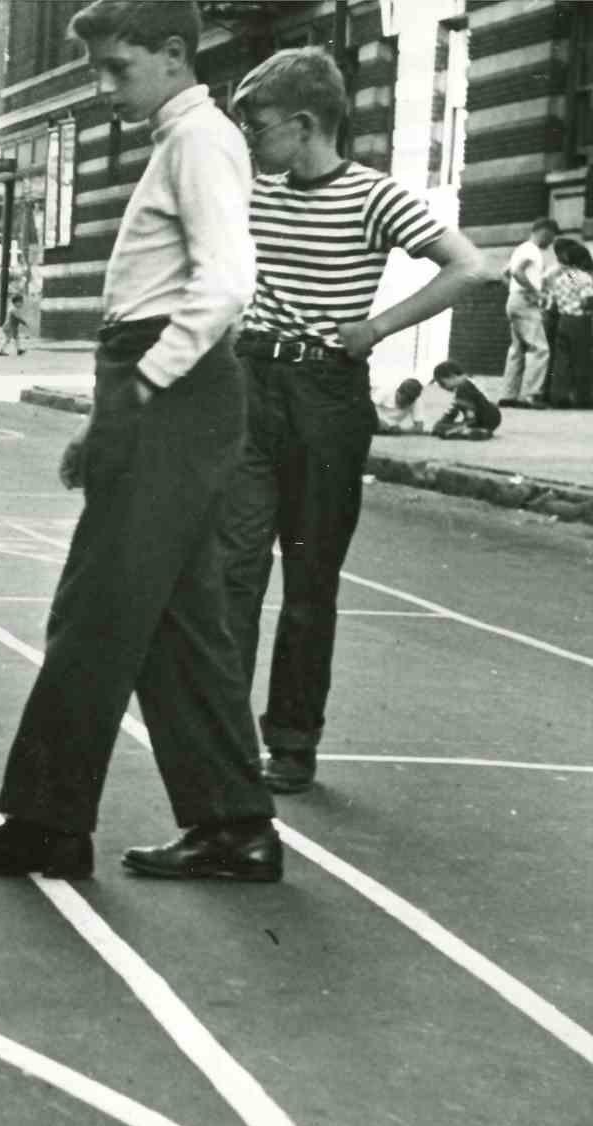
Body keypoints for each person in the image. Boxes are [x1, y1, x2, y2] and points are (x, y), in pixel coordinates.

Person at [0, 0, 279, 883]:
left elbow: (225, 285)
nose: (102, 89)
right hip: (164, 388)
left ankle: (47, 823)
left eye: (118, 69)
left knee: (95, 612)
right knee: (181, 622)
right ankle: (233, 824)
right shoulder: (180, 141)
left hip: (171, 385)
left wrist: (139, 389)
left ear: (175, 55)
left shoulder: (200, 142)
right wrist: (111, 411)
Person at [219, 46, 486, 797]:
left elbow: (469, 265)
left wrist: (376, 327)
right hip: (252, 380)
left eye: (259, 125)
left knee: (309, 581)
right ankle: (222, 738)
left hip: (327, 396)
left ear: (305, 124)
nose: (250, 139)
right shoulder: (255, 191)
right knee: (232, 570)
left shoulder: (375, 196)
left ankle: (293, 744)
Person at [500, 217, 557, 409]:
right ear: (545, 231)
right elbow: (517, 272)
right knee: (540, 349)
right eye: (552, 236)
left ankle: (508, 395)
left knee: (517, 349)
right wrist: (534, 292)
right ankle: (531, 396)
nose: (551, 242)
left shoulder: (520, 248)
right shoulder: (531, 250)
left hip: (514, 300)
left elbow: (505, 273)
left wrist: (514, 291)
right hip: (525, 301)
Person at [542, 235, 593, 407]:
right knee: (582, 359)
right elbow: (588, 300)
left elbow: (552, 302)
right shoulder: (583, 278)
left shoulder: (561, 278)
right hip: (580, 321)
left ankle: (559, 397)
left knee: (562, 360)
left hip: (563, 320)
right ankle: (583, 398)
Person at [431, 360, 502, 439]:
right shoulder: (469, 383)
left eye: (442, 383)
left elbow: (468, 414)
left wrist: (444, 425)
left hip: (484, 417)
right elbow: (453, 410)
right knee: (441, 427)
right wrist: (442, 423)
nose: (443, 388)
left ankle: (473, 431)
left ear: (452, 376)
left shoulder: (464, 387)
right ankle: (475, 430)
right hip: (492, 416)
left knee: (442, 428)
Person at [0, 287, 28, 356]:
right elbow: (18, 318)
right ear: (16, 302)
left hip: (12, 327)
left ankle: (19, 350)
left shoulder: (14, 309)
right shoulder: (14, 309)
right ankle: (1, 350)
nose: (22, 304)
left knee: (16, 338)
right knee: (8, 339)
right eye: (21, 302)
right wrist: (24, 323)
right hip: (9, 327)